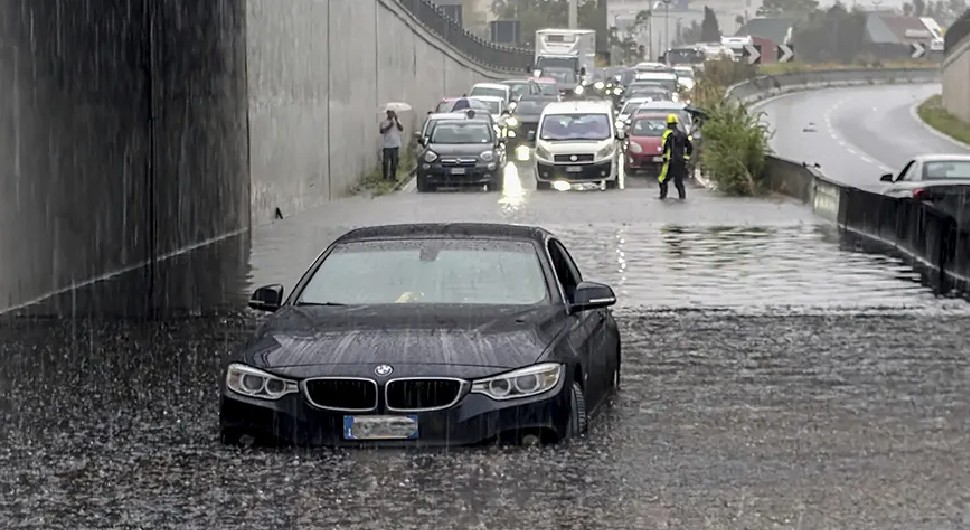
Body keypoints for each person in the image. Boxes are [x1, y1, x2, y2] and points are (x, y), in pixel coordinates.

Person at [657, 113, 692, 200]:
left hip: (670, 162)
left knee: (663, 180)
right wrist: (686, 157)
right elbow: (689, 147)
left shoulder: (668, 135)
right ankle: (682, 197)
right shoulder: (683, 135)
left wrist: (664, 158)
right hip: (680, 161)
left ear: (668, 124)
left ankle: (663, 196)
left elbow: (665, 147)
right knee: (678, 182)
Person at [380, 109, 404, 181]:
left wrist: (397, 121)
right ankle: (385, 177)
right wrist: (389, 126)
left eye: (393, 113)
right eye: (391, 113)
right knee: (386, 162)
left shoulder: (397, 122)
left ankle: (393, 177)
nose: (392, 114)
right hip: (387, 145)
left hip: (395, 145)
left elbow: (401, 129)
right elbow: (381, 131)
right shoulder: (384, 122)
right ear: (387, 113)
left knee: (394, 163)